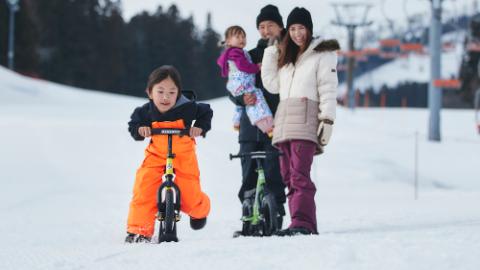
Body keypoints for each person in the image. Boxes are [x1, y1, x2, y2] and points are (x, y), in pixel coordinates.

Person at [261, 7, 340, 236]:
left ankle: (303, 223)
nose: (297, 33)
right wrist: (271, 53)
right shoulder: (287, 57)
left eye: (301, 28)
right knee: (288, 175)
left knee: (299, 175)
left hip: (306, 119)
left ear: (309, 29)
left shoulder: (322, 54)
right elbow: (272, 85)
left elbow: (328, 89)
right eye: (293, 29)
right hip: (284, 119)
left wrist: (327, 119)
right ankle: (300, 222)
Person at [125, 65, 213, 243]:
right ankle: (139, 230)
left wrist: (200, 127)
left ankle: (200, 210)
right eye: (160, 91)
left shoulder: (188, 107)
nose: (166, 97)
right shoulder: (146, 111)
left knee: (190, 192)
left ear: (178, 93)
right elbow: (134, 124)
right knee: (145, 187)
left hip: (183, 153)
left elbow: (206, 112)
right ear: (150, 93)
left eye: (172, 92)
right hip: (156, 154)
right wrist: (140, 129)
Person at [228, 4, 287, 233]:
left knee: (275, 170)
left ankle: (276, 213)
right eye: (261, 27)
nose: (265, 31)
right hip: (250, 125)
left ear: (280, 26)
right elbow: (233, 87)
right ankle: (248, 216)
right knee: (248, 170)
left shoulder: (287, 55)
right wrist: (243, 98)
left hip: (279, 121)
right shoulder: (248, 56)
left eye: (270, 25)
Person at [217, 25, 274, 135]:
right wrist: (256, 67)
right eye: (237, 37)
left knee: (241, 104)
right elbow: (243, 66)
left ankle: (236, 122)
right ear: (228, 41)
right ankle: (267, 126)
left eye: (243, 37)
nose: (242, 39)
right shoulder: (236, 52)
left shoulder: (234, 52)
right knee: (255, 100)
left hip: (237, 85)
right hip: (243, 84)